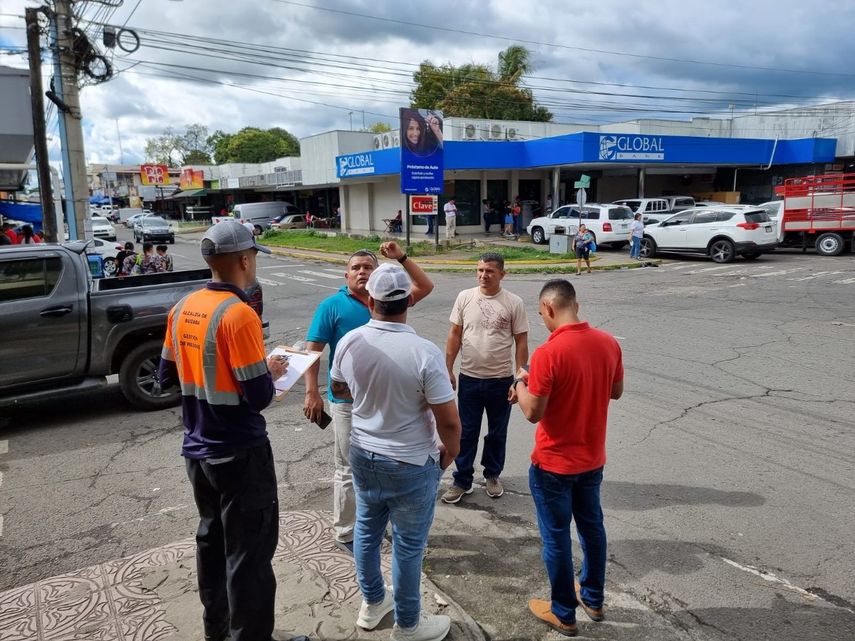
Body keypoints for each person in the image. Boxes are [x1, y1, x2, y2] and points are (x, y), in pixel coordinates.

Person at [156, 220, 309, 641]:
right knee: (250, 558)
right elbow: (258, 394)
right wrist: (271, 368)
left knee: (212, 542)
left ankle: (217, 632)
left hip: (197, 451)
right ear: (244, 259)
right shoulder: (239, 314)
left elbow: (166, 377)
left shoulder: (183, 306)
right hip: (239, 453)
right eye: (255, 255)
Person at [329, 263, 460, 641]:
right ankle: (408, 624)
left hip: (363, 453)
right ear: (409, 302)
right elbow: (448, 421)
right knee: (407, 546)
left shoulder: (350, 342)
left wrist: (372, 398)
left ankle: (372, 604)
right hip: (410, 461)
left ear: (370, 300)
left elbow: (339, 390)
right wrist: (449, 454)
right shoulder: (423, 351)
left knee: (367, 531)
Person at [303, 242, 434, 553]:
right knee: (348, 467)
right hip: (347, 402)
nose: (362, 271)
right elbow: (313, 352)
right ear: (346, 274)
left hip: (390, 400)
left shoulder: (389, 301)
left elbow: (426, 286)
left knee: (385, 463)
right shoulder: (332, 306)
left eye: (369, 267)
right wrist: (312, 392)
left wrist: (400, 257)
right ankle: (346, 531)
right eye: (356, 268)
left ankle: (375, 523)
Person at [511, 279, 623, 638]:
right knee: (593, 529)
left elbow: (533, 412)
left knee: (556, 537)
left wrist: (520, 384)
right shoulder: (608, 343)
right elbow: (615, 391)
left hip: (553, 464)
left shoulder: (547, 353)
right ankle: (593, 598)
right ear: (576, 304)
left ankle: (563, 613)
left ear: (547, 308)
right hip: (592, 459)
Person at [442, 252, 529, 504]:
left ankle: (492, 475)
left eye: (490, 271)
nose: (483, 275)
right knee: (466, 432)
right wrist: (447, 368)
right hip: (469, 378)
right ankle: (462, 480)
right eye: (480, 270)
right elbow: (454, 335)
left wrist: (519, 378)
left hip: (501, 381)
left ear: (502, 274)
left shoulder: (514, 302)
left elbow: (521, 342)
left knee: (497, 433)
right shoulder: (464, 297)